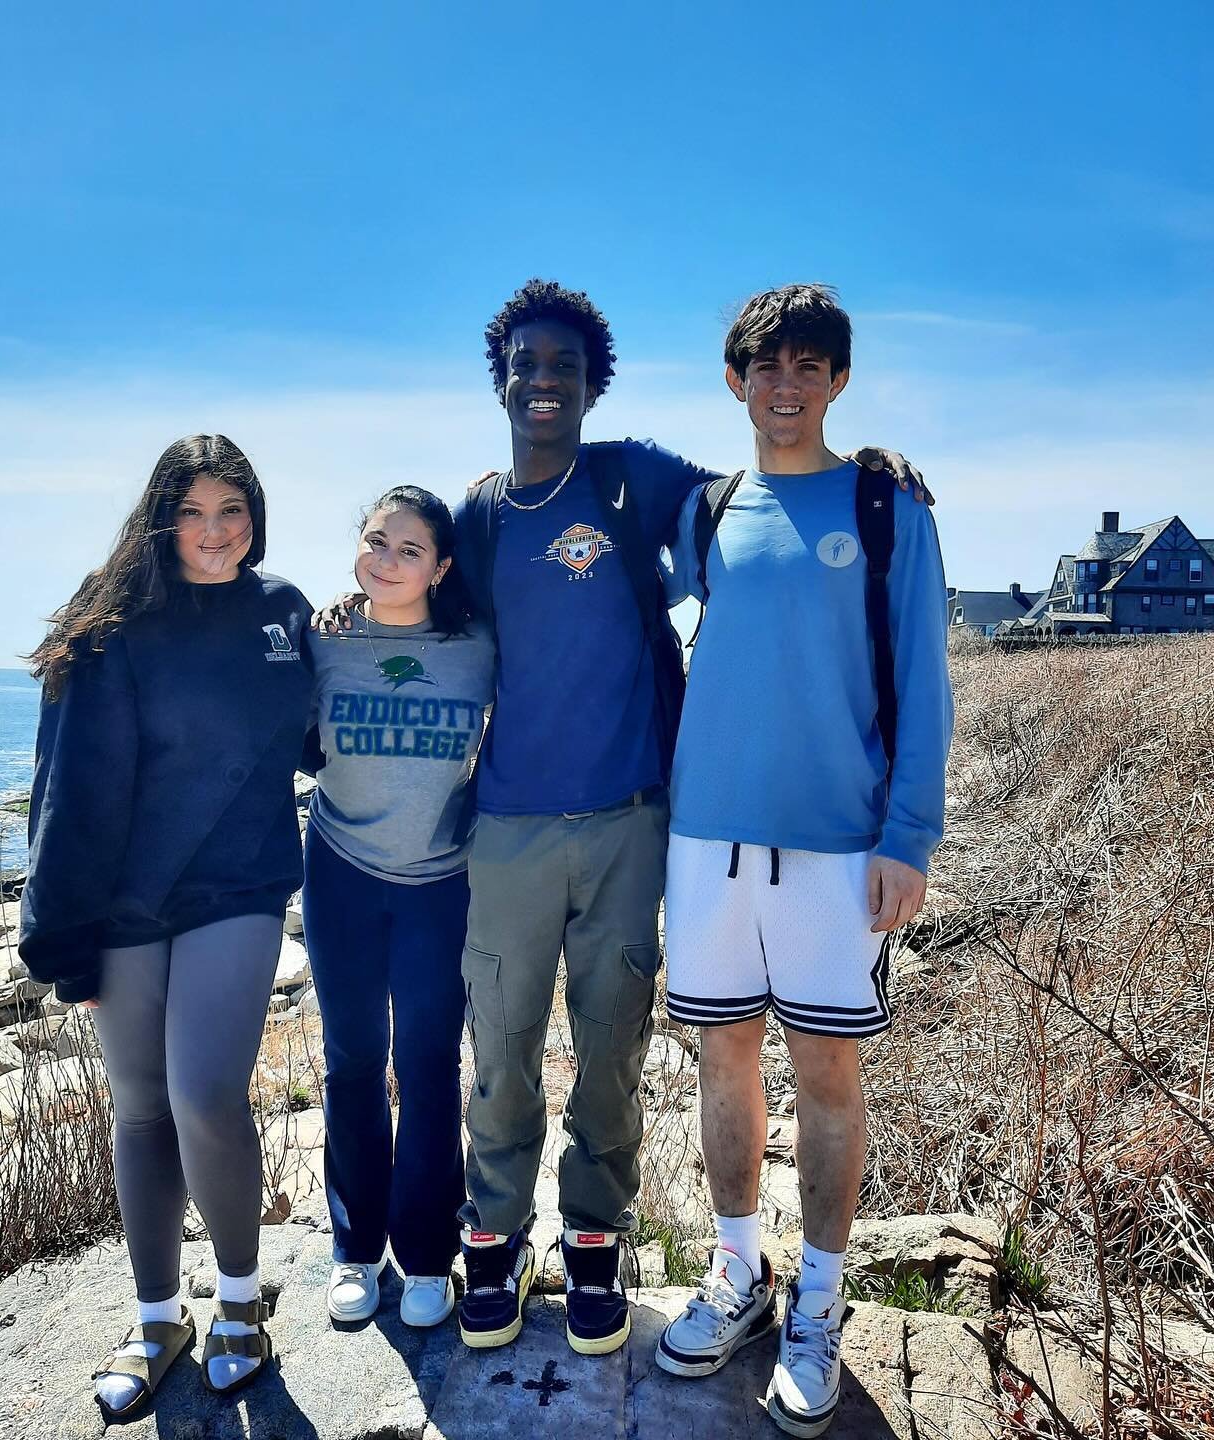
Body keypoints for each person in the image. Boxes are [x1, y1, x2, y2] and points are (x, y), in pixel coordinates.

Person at [446, 278, 925, 1359]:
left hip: (687, 827)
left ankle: (672, 1258)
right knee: (555, 1049)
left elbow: (902, 657)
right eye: (526, 366)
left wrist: (910, 834)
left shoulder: (659, 484)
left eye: (563, 368)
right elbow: (421, 604)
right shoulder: (501, 515)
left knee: (669, 1056)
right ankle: (537, 1238)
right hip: (594, 828)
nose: (544, 384)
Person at [653, 286, 953, 1438]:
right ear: (736, 380)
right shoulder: (707, 510)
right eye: (766, 366)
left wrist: (907, 839)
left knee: (828, 1081)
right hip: (707, 837)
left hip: (840, 850)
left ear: (837, 381)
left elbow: (925, 684)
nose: (787, 385)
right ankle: (740, 1277)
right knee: (721, 1062)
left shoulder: (888, 510)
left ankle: (819, 1309)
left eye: (810, 366)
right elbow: (597, 594)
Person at [19, 435, 313, 1421]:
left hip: (239, 889)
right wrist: (61, 931)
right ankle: (156, 1318)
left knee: (205, 1096)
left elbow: (322, 733)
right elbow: (61, 789)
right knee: (140, 1107)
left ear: (255, 517)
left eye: (231, 511)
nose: (214, 532)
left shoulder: (283, 615)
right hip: (125, 901)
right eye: (192, 512)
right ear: (161, 519)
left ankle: (238, 1304)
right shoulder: (108, 626)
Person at [300, 486, 494, 1330]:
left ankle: (424, 1256)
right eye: (376, 541)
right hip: (340, 871)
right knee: (350, 1062)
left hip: (440, 883)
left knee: (426, 1067)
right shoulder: (326, 640)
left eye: (408, 550)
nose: (385, 561)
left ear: (442, 566)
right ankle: (354, 1248)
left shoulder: (477, 645)